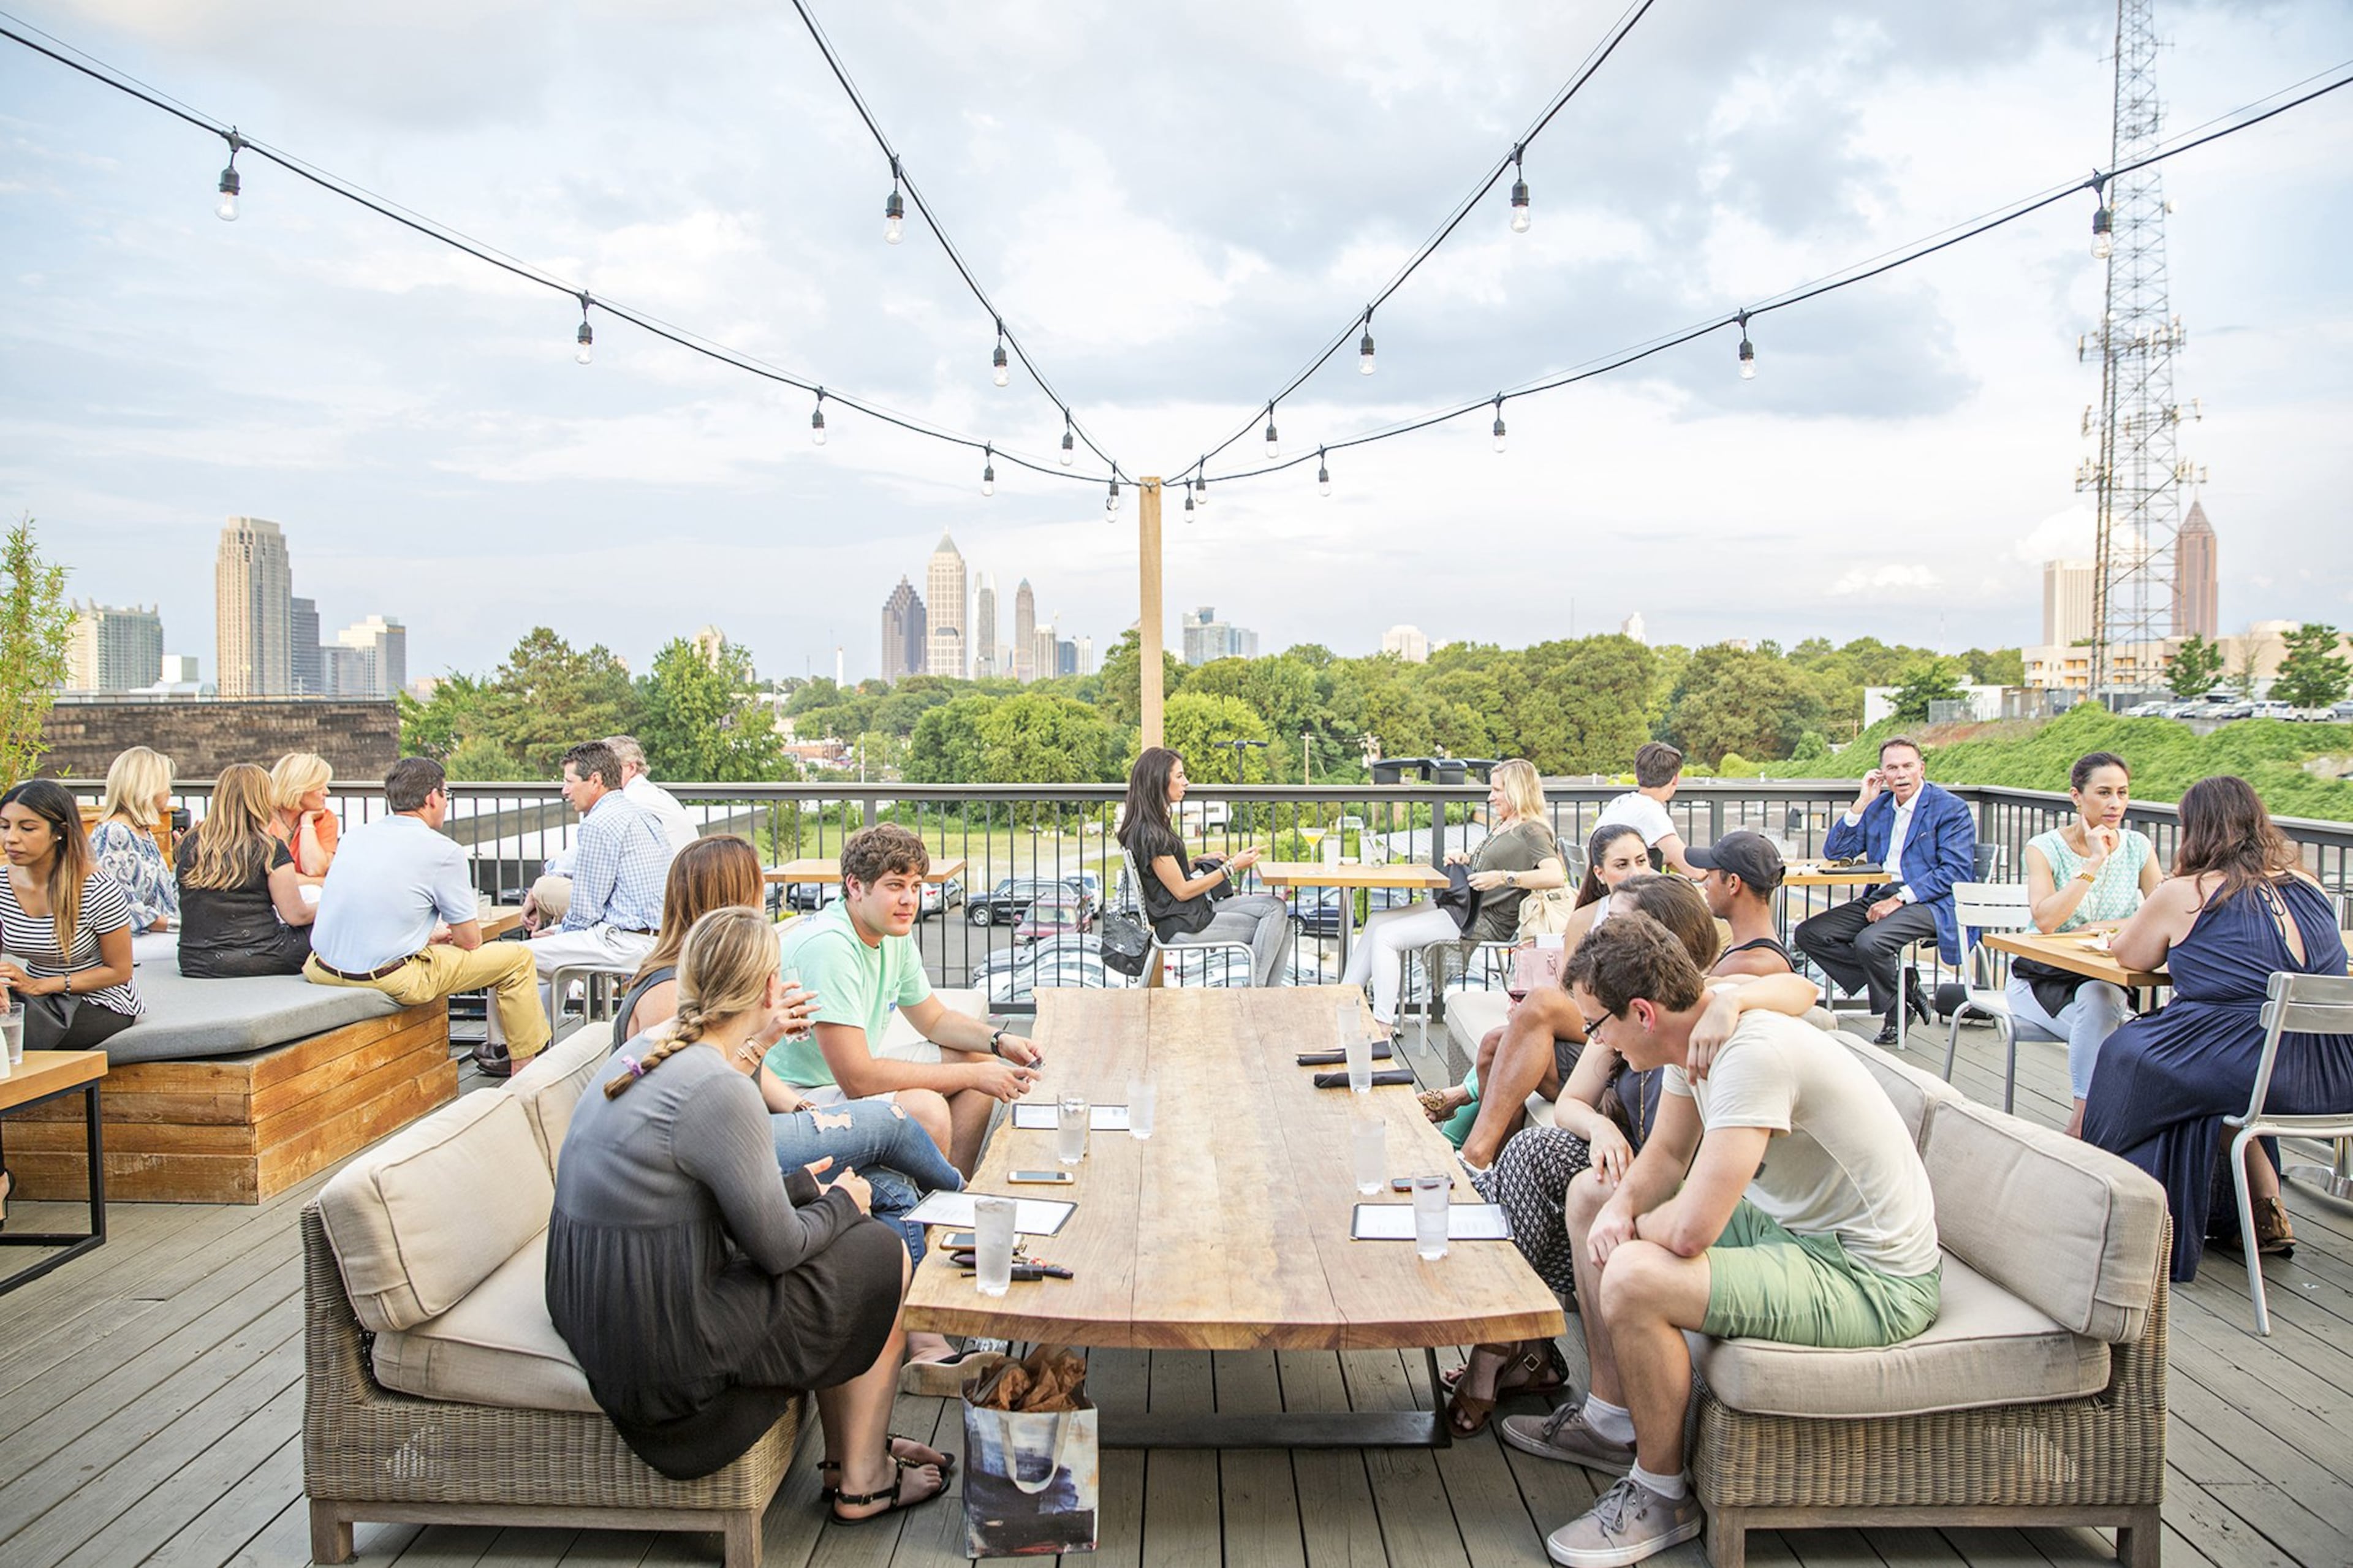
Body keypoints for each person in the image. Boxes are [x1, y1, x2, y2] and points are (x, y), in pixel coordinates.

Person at [1501, 914, 1941, 1566]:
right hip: (1787, 1226)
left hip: (1867, 1276)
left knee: (1633, 1276)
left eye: (1599, 1025)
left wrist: (1625, 1234)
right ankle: (1612, 1418)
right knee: (1594, 1197)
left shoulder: (1749, 1057)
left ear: (1643, 1013)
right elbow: (1669, 1155)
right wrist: (1618, 1209)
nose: (1601, 1043)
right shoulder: (1693, 1038)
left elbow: (1688, 1233)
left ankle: (1660, 1495)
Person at [547, 907, 952, 1517]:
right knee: (877, 1248)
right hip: (669, 1358)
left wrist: (804, 1190)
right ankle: (864, 1478)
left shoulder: (643, 1051)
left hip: (602, 1313)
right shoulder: (719, 1089)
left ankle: (853, 1451)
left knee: (843, 1241)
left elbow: (697, 1188)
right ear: (769, 989)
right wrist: (844, 1199)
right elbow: (781, 1250)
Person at [1446, 874, 1814, 1437]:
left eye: (1623, 924)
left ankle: (1501, 1343)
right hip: (1635, 1163)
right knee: (1533, 1151)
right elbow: (1573, 1103)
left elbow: (1800, 990)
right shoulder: (1621, 1015)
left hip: (1699, 1183)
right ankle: (1512, 1338)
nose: (1607, 933)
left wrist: (1733, 999)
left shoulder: (1702, 1006)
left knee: (1543, 1164)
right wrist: (1598, 1129)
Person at [611, 837, 974, 1385]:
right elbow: (707, 1103)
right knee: (897, 1122)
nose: (766, 904)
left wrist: (793, 1089)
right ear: (732, 897)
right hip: (735, 1148)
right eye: (757, 890)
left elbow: (740, 1075)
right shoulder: (670, 993)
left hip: (758, 1123)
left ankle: (927, 1312)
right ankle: (965, 1203)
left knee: (888, 1178)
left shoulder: (708, 974)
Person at [2085, 775, 2353, 1282]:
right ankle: (2262, 1205)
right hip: (2332, 1070)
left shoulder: (2188, 891)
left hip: (2252, 1066)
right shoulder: (2308, 885)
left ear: (2196, 830)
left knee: (2128, 1054)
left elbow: (2130, 955)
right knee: (2205, 1073)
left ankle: (2123, 1206)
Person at [770, 824, 1040, 1175]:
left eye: (916, 887)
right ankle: (930, 1212)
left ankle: (952, 1193)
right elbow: (858, 1079)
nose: (909, 900)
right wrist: (971, 1076)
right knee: (929, 1107)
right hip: (798, 1094)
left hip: (843, 1073)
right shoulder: (830, 946)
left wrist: (999, 1041)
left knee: (978, 1058)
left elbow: (934, 1020)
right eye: (895, 886)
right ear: (855, 886)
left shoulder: (890, 932)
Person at [305, 757, 550, 1075]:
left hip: (321, 968)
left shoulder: (355, 837)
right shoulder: (443, 851)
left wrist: (425, 936)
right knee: (517, 960)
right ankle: (525, 1072)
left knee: (435, 951)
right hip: (390, 977)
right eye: (446, 794)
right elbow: (470, 941)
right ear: (432, 797)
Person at [1425, 821, 1650, 1164]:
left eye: (1642, 861)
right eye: (1622, 865)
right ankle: (1488, 1167)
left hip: (1627, 1032)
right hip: (1591, 1032)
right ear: (1600, 874)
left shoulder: (1664, 907)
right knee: (1495, 1044)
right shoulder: (1586, 918)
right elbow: (1572, 992)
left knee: (1539, 1005)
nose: (1635, 872)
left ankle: (1470, 1153)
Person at [1340, 758, 1564, 1032]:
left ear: (1518, 790)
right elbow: (1493, 861)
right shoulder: (1506, 824)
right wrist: (1466, 857)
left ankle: (1381, 1027)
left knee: (1387, 937)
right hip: (1462, 907)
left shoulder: (1532, 830)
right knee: (1377, 921)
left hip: (1478, 921)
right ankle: (1341, 1003)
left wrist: (1504, 878)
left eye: (1497, 790)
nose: (1490, 797)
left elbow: (1555, 876)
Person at [1795, 736, 1976, 1045]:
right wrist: (1863, 801)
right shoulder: (1879, 807)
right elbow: (1836, 850)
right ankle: (1903, 986)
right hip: (1885, 894)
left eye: (1908, 766)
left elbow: (1954, 872)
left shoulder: (1950, 809)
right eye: (1892, 768)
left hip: (1934, 901)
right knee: (1810, 934)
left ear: (1922, 768)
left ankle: (1895, 1015)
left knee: (1870, 942)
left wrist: (1900, 898)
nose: (1901, 774)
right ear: (1882, 774)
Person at [2015, 751, 2161, 1137]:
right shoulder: (2043, 847)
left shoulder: (2138, 847)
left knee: (2102, 999)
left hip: (2104, 981)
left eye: (2123, 793)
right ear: (2077, 796)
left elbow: (2166, 912)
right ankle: (2089, 1124)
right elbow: (2047, 921)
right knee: (2114, 1031)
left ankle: (2082, 1123)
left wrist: (2108, 925)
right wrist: (2093, 863)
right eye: (2104, 793)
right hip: (2042, 978)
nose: (2115, 803)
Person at [1116, 747, 1296, 989]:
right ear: (1158, 779)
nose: (1186, 782)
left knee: (1278, 910)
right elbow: (1182, 890)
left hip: (1191, 912)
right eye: (1179, 776)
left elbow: (1162, 876)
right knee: (1275, 920)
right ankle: (1259, 991)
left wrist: (1199, 860)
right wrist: (1231, 868)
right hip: (1183, 923)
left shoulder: (1150, 825)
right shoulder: (1152, 834)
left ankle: (1266, 991)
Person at [0, 779, 141, 1050]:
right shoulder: (3, 885)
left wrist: (41, 986)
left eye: (27, 828)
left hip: (99, 1000)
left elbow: (119, 971)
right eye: (4, 826)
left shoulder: (98, 889)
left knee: (13, 1038)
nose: (11, 838)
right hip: (34, 995)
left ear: (59, 832)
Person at [524, 741, 670, 984]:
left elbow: (585, 911)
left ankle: (535, 1024)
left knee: (514, 960)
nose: (564, 791)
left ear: (595, 780)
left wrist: (561, 936)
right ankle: (544, 1022)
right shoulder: (642, 815)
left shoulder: (599, 823)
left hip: (625, 944)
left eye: (570, 782)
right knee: (547, 948)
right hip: (657, 939)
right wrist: (560, 933)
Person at [175, 763, 316, 977]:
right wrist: (332, 906)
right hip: (260, 954)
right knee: (324, 929)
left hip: (195, 960)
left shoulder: (190, 843)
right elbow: (296, 915)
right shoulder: (269, 848)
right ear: (262, 800)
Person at [88, 745, 179, 936]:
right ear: (149, 788)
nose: (169, 792)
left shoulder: (143, 834)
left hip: (158, 940)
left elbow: (166, 897)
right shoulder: (114, 835)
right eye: (166, 785)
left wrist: (189, 858)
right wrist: (177, 927)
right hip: (138, 946)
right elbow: (121, 908)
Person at [1688, 830, 1794, 977]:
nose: (1705, 885)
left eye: (1710, 876)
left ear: (1733, 883)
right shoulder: (1748, 951)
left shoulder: (1747, 966)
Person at [1594, 742, 1700, 877]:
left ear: (1638, 775)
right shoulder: (1651, 811)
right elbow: (1694, 870)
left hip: (1606, 889)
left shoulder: (1620, 802)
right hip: (1628, 894)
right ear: (1675, 779)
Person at [605, 734, 700, 855]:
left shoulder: (630, 799)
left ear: (631, 768)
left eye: (610, 769)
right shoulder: (651, 793)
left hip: (673, 870)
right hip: (685, 867)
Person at [268, 752, 339, 883]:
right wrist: (319, 882)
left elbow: (314, 870)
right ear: (299, 788)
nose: (327, 792)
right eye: (320, 786)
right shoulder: (261, 818)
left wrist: (307, 823)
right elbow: (263, 877)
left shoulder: (325, 818)